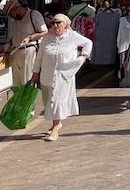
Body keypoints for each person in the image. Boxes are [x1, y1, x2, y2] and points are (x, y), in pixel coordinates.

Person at [30, 13, 93, 142]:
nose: (56, 25)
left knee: (56, 100)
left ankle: (55, 127)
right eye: (53, 23)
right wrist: (35, 72)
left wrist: (83, 56)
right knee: (48, 101)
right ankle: (56, 122)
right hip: (47, 75)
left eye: (58, 22)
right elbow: (40, 56)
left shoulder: (72, 36)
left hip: (64, 74)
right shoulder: (47, 38)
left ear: (65, 24)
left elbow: (88, 43)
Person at [5, 0, 48, 88]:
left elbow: (44, 32)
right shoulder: (16, 19)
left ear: (16, 9)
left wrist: (30, 38)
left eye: (11, 14)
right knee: (16, 82)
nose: (11, 17)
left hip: (28, 50)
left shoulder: (34, 14)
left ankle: (27, 100)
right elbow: (14, 35)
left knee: (27, 80)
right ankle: (18, 100)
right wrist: (8, 45)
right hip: (15, 51)